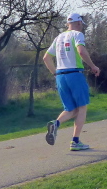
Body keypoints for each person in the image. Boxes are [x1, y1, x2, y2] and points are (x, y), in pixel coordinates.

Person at [42, 13, 101, 151]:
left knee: (71, 109)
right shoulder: (77, 35)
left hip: (60, 76)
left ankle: (55, 124)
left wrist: (55, 73)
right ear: (79, 23)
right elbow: (81, 52)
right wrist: (93, 66)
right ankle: (75, 141)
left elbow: (46, 58)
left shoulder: (58, 37)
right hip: (75, 74)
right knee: (82, 107)